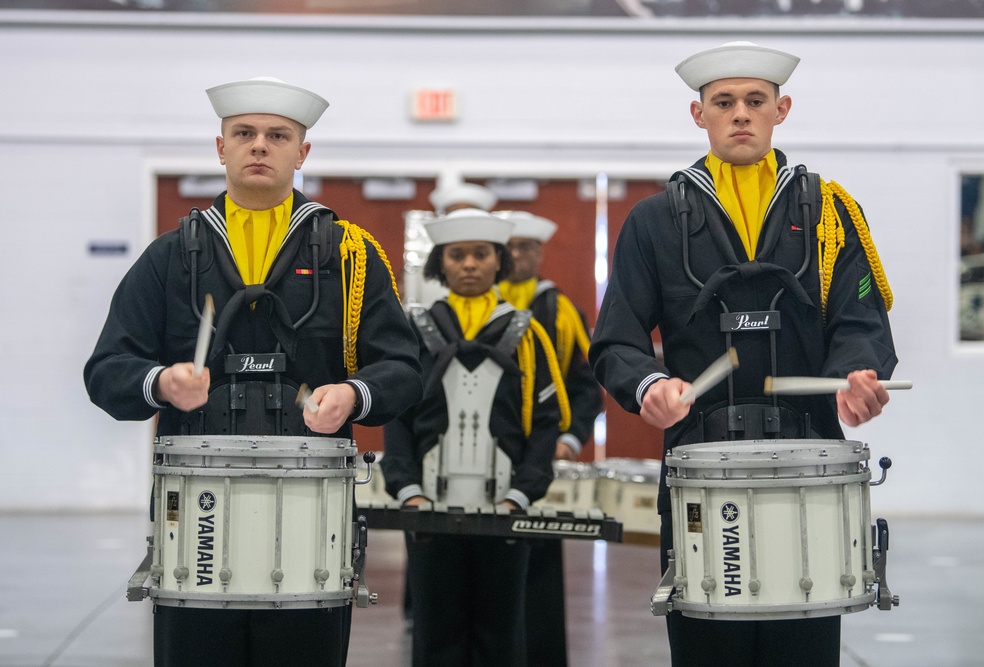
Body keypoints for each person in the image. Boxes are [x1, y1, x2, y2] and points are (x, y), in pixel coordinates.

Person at [83, 76, 423, 666]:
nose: (259, 145)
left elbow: (404, 367)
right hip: (196, 515)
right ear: (221, 148)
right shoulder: (171, 256)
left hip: (312, 516)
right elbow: (107, 368)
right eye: (244, 133)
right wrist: (161, 383)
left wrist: (353, 393)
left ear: (302, 152)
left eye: (277, 135)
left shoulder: (350, 254)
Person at [589, 42, 897, 667]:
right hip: (700, 459)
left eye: (755, 102)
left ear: (781, 109)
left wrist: (854, 376)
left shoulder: (832, 213)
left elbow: (860, 318)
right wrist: (648, 386)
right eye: (723, 102)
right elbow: (617, 339)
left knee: (803, 644)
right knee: (708, 645)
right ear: (697, 114)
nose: (740, 114)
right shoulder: (654, 221)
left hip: (809, 452)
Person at [381, 208, 571, 667]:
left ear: (498, 261)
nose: (469, 264)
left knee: (501, 635)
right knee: (434, 634)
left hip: (505, 508)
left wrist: (523, 493)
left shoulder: (528, 334)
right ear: (439, 264)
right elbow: (397, 419)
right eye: (457, 255)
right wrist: (406, 490)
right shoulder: (414, 331)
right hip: (428, 508)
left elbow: (546, 423)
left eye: (481, 254)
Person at [497, 211, 604, 667]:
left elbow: (585, 385)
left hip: (542, 454)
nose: (518, 255)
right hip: (491, 456)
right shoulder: (481, 302)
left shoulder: (559, 310)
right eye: (512, 247)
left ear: (540, 254)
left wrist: (571, 437)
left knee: (539, 569)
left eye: (527, 248)